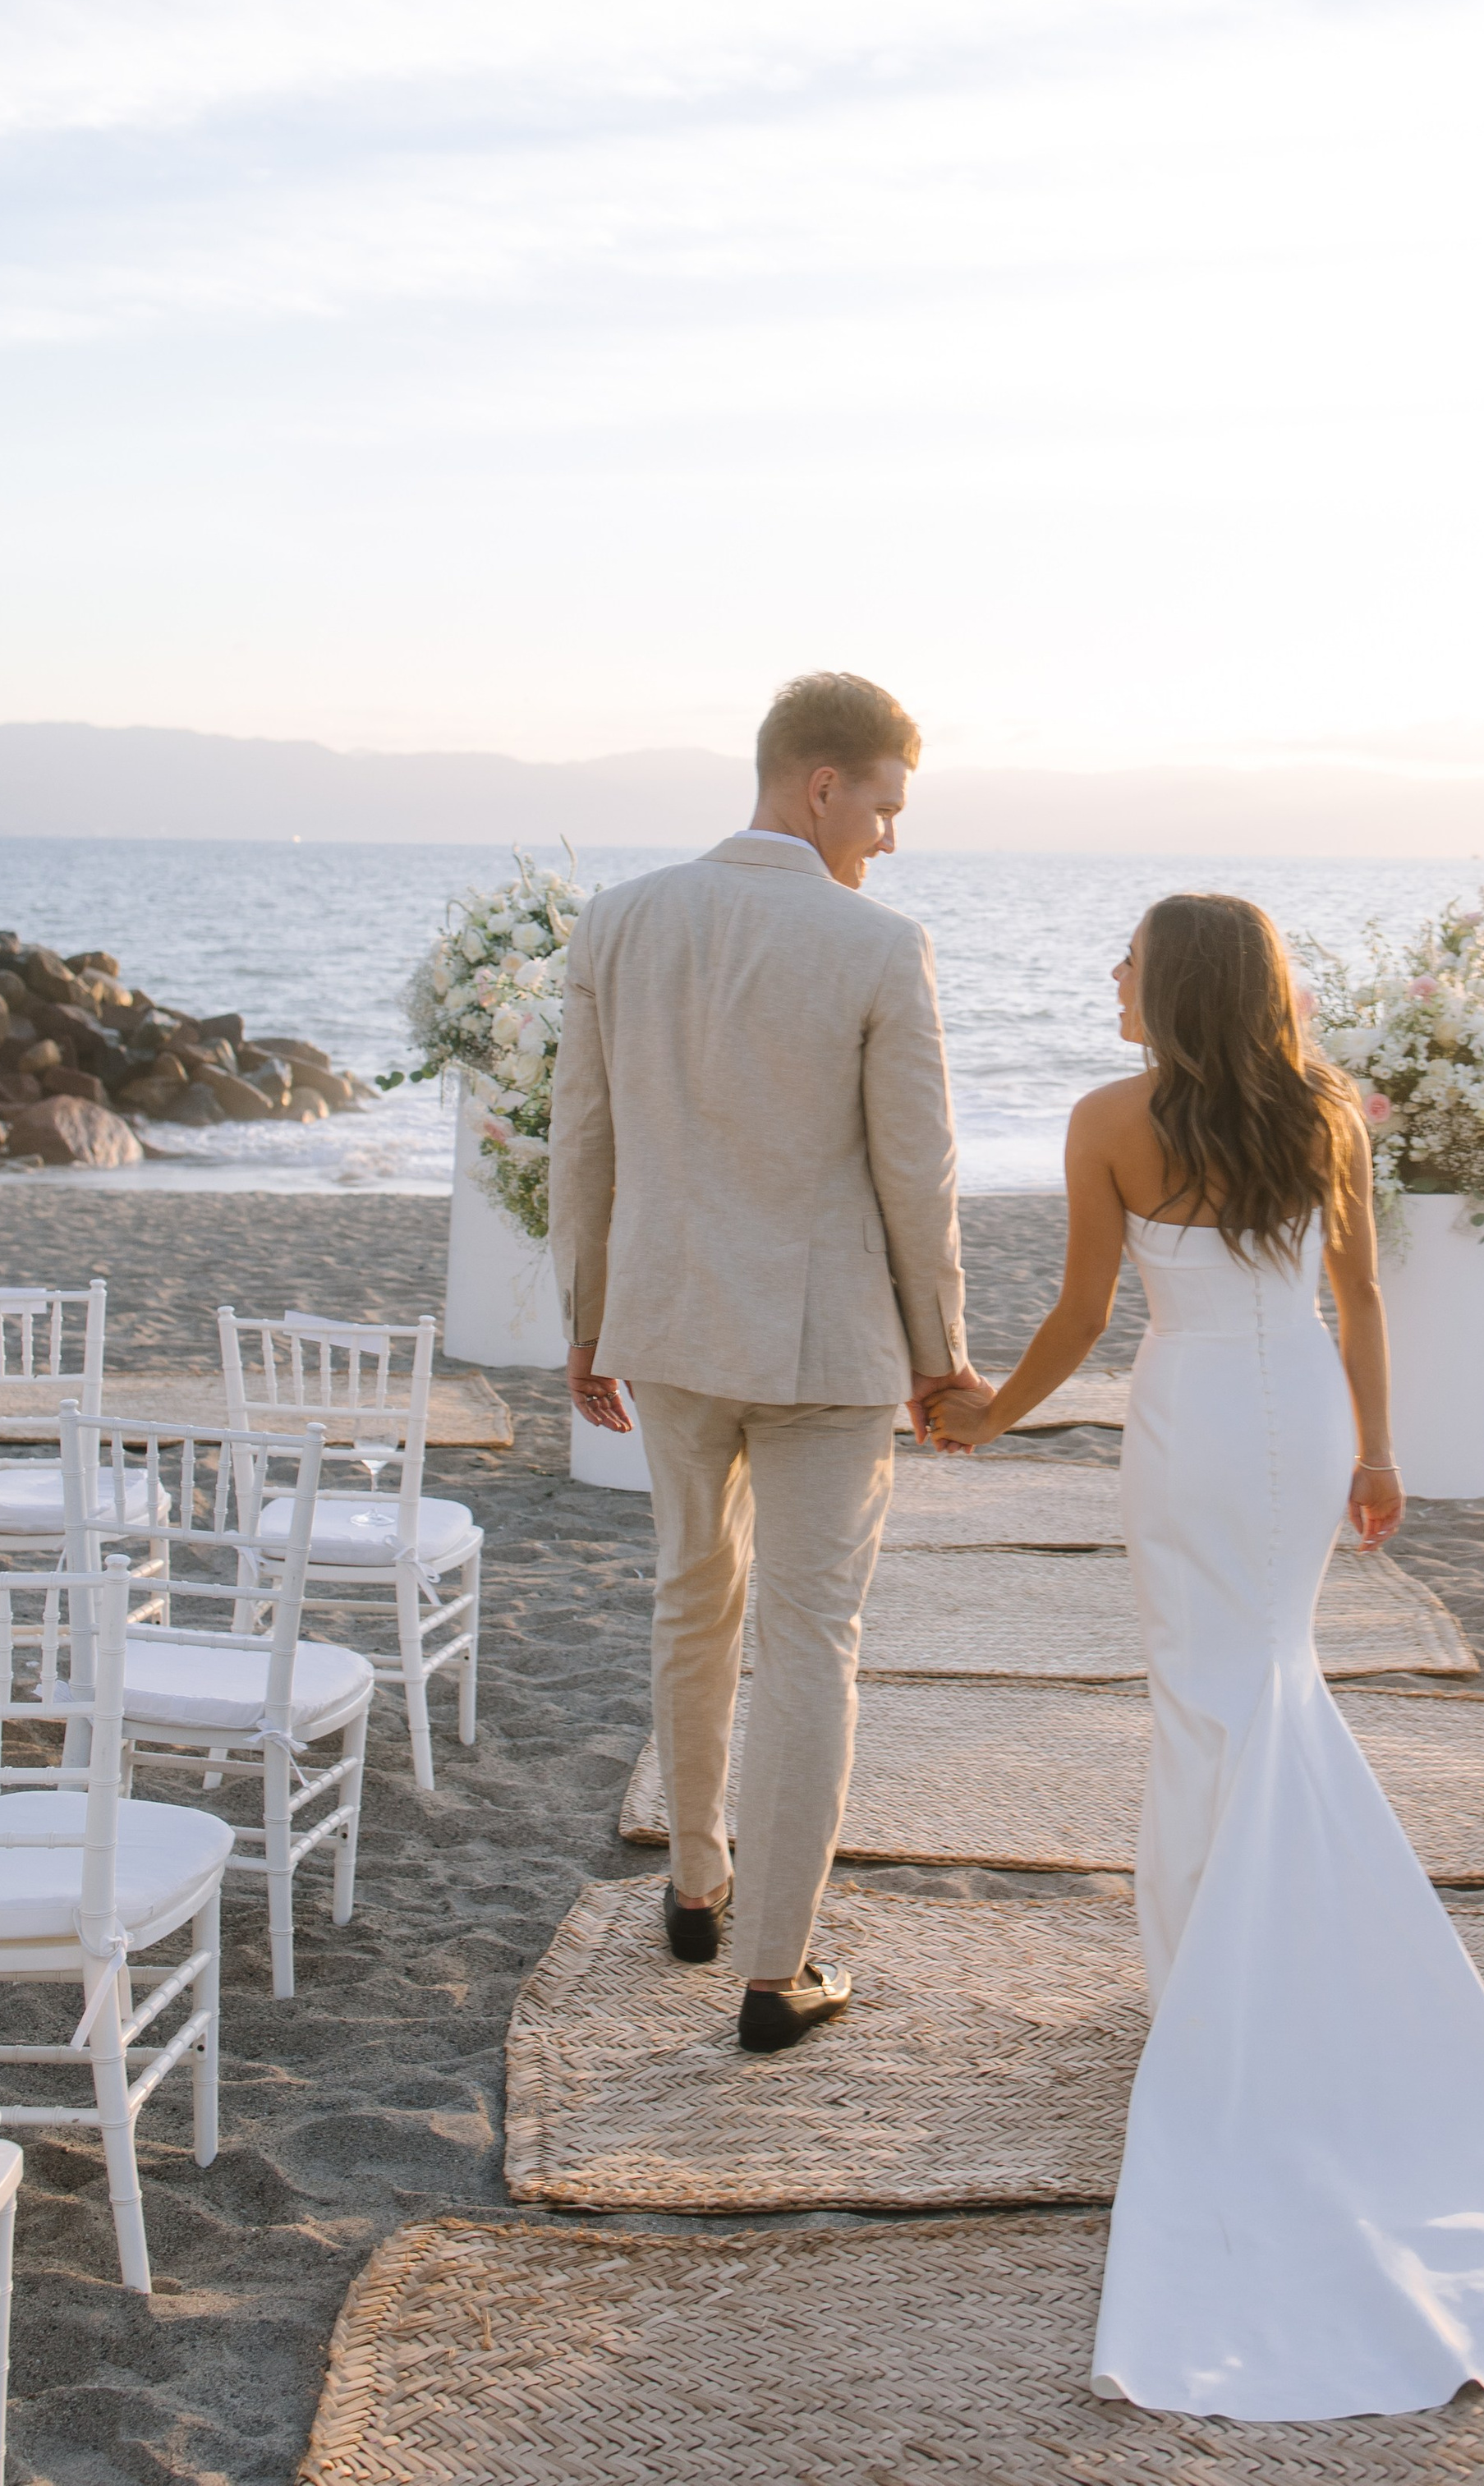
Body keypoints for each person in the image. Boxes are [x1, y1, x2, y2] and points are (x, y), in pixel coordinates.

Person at [928, 893, 1484, 2418]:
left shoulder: (1107, 1119)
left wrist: (980, 1413)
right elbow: (1358, 1296)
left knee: (1206, 1696)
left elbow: (1086, 1314)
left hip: (1195, 1421)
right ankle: (1232, 1956)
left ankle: (1213, 1975)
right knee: (1263, 1682)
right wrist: (1381, 1451)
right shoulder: (1328, 1113)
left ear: (1175, 985)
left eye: (1129, 959)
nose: (1110, 972)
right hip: (1304, 1420)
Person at [549, 671, 987, 2054]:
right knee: (813, 1640)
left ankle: (693, 1883)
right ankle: (775, 1971)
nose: (891, 838)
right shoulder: (877, 945)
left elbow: (585, 1144)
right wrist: (943, 1354)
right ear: (823, 785)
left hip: (670, 1329)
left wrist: (586, 1315)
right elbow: (919, 1176)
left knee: (692, 1598)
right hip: (826, 1350)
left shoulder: (619, 925)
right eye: (885, 804)